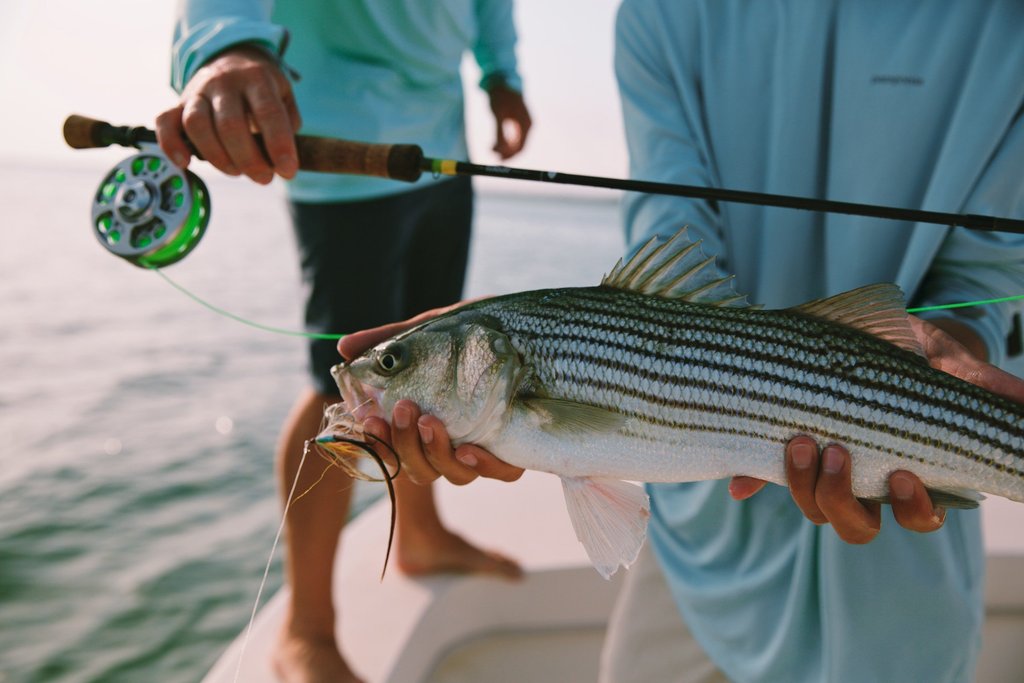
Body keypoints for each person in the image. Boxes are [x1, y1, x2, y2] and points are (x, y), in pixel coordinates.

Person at [337, 1, 1024, 682]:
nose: (383, 375)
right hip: (702, 536)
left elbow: (985, 264)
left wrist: (953, 347)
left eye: (397, 361)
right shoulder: (660, 15)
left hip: (902, 578)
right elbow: (669, 241)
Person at [156, 3, 532, 682]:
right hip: (338, 148)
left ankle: (420, 532)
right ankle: (307, 630)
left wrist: (501, 74)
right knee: (341, 384)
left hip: (443, 148)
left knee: (429, 366)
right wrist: (223, 46)